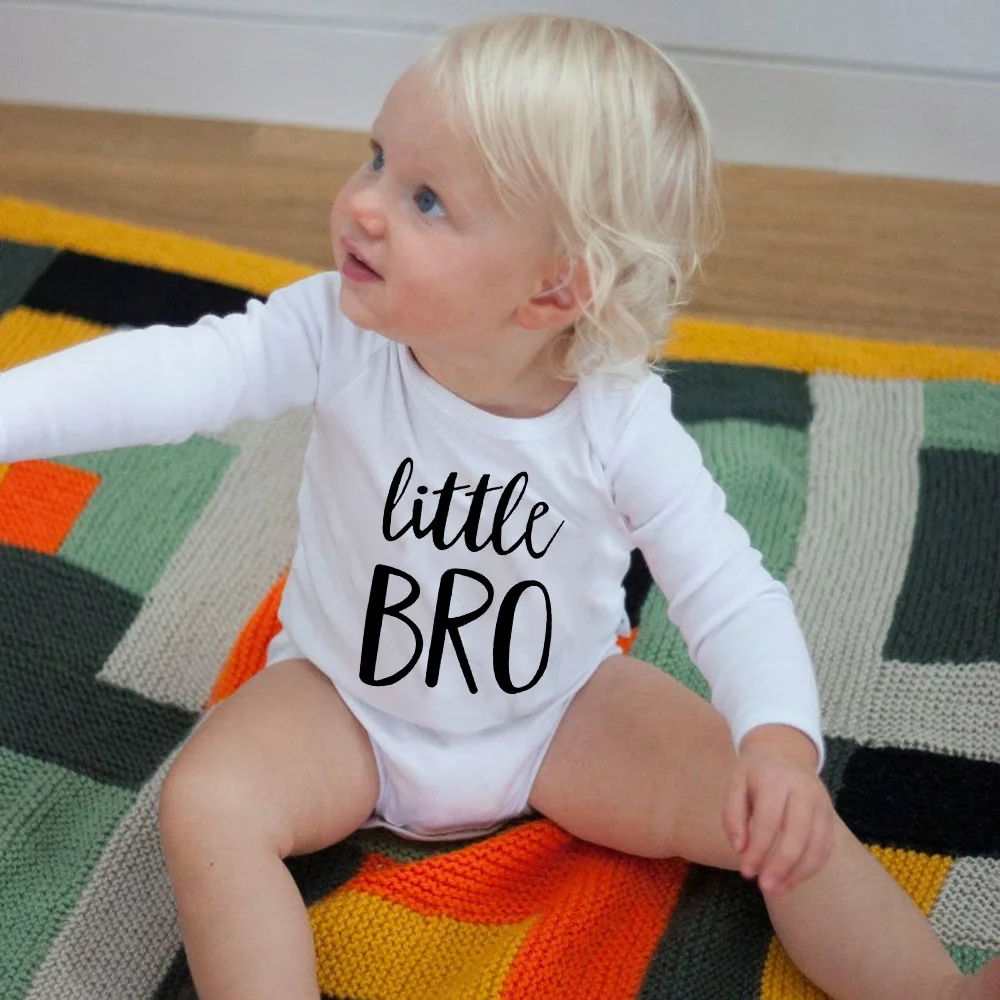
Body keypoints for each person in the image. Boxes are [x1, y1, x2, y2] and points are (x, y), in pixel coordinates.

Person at [1, 14, 996, 1000]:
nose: (364, 205)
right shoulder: (336, 333)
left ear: (554, 290)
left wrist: (779, 742)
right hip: (343, 702)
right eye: (377, 158)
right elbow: (175, 371)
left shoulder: (616, 419)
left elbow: (728, 590)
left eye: (427, 199)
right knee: (207, 802)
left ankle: (932, 989)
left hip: (562, 711)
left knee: (778, 814)